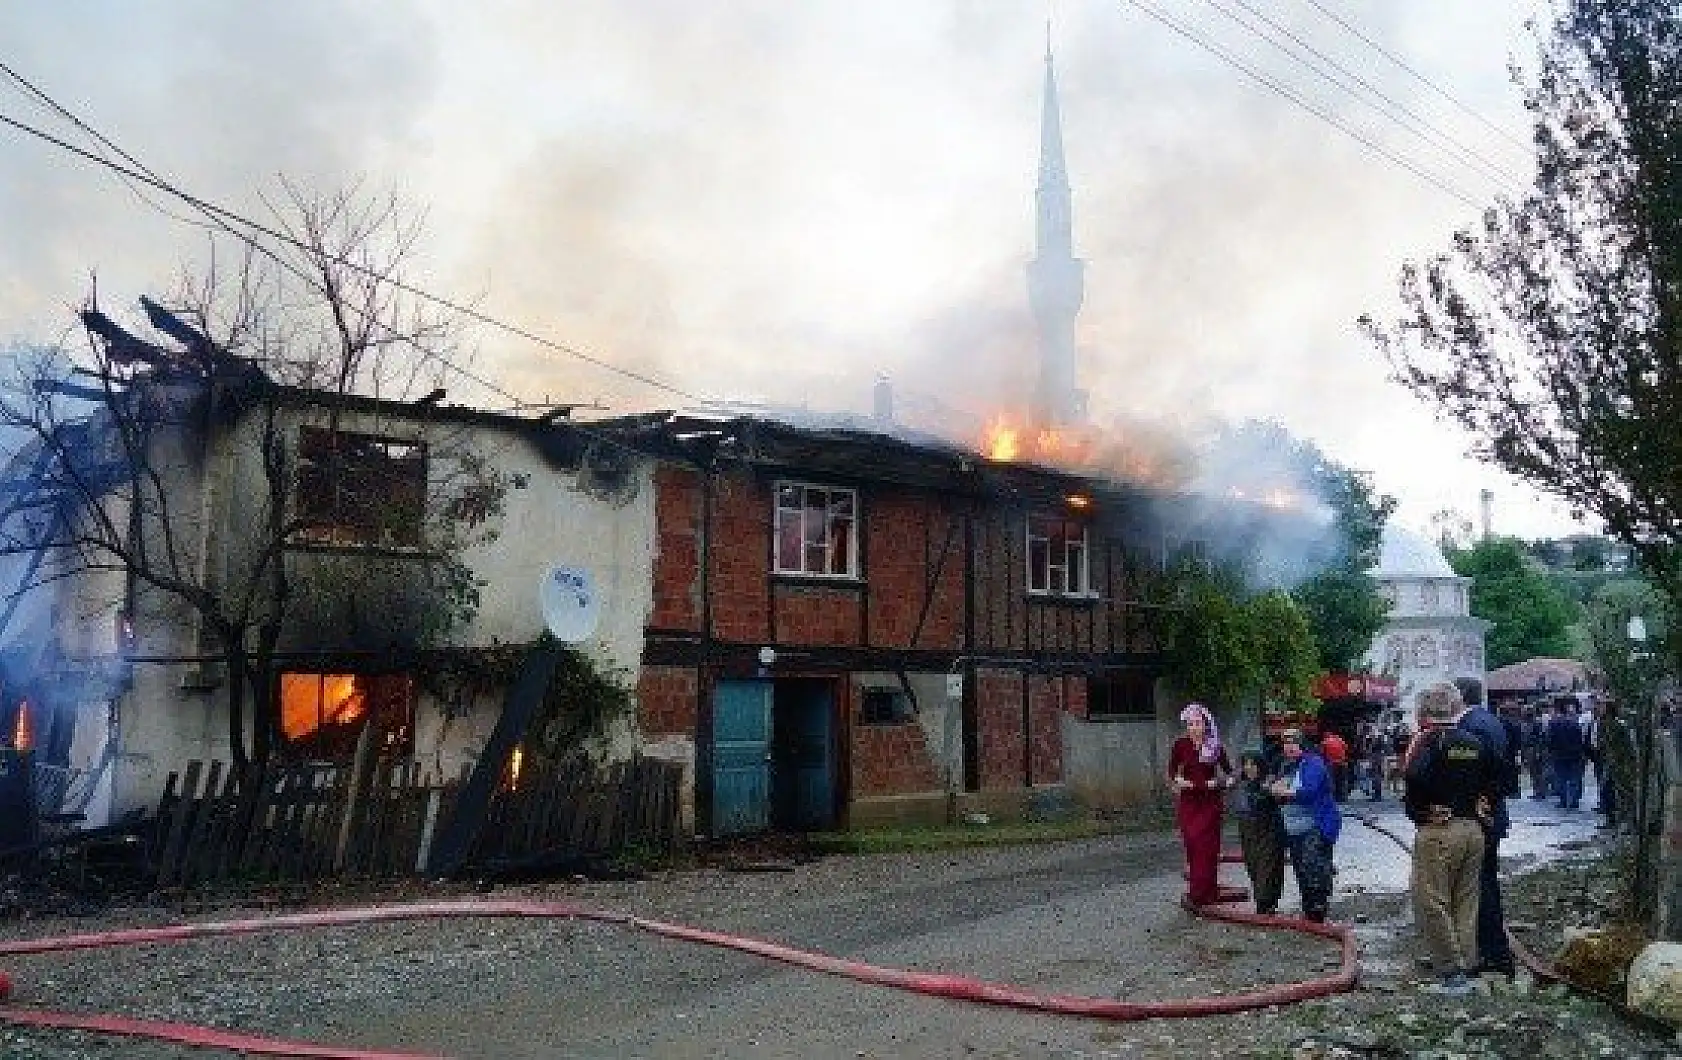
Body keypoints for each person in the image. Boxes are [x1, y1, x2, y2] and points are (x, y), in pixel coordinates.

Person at [1404, 683, 1498, 996]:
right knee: (1466, 901)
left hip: (1440, 830)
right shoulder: (1475, 741)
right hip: (1473, 829)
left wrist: (1421, 810)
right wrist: (1481, 801)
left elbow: (1414, 776)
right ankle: (1467, 963)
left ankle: (1450, 969)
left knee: (1430, 900)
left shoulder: (1427, 741)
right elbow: (1500, 776)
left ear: (1425, 712)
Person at [1453, 676, 1518, 978]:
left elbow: (1477, 773)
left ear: (1460, 696)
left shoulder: (1470, 727)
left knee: (1479, 886)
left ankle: (1491, 953)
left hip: (1482, 814)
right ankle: (1493, 950)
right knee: (1485, 882)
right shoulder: (1490, 721)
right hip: (1492, 812)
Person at [1267, 728, 1341, 922]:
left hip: (1315, 825)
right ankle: (1309, 909)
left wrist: (1283, 792)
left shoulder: (1313, 763)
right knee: (1300, 869)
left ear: (1301, 744)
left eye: (1293, 743)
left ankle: (1318, 909)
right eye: (1286, 743)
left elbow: (1310, 791)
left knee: (1313, 866)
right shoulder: (1283, 765)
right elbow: (1272, 787)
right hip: (1293, 827)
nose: (1289, 747)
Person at [1168, 703, 1233, 908]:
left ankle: (1203, 893)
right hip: (1189, 801)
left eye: (1198, 723)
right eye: (1190, 724)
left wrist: (1218, 783)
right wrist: (1177, 780)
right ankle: (1197, 889)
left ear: (1206, 725)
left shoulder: (1215, 746)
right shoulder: (1180, 745)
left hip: (1209, 801)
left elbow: (1231, 774)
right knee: (1191, 842)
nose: (1194, 728)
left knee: (1207, 848)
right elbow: (1172, 771)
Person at [1229, 748, 1285, 916]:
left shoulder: (1269, 781)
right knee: (1253, 866)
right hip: (1248, 832)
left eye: (1253, 764)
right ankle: (1264, 903)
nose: (1249, 767)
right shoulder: (1240, 784)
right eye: (1246, 764)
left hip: (1269, 831)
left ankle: (1265, 905)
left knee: (1268, 868)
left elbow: (1280, 797)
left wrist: (1272, 790)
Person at [1547, 698, 1587, 809]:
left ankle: (1563, 801)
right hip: (1575, 755)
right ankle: (1574, 801)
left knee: (1561, 778)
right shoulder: (1575, 723)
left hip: (1559, 755)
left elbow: (1550, 740)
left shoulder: (1553, 724)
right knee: (1574, 778)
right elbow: (1580, 740)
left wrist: (1551, 752)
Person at [1321, 728, 1351, 802]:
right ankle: (1343, 796)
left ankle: (1333, 797)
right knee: (1342, 780)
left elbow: (1322, 753)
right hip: (1342, 762)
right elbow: (1346, 748)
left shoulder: (1325, 742)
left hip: (1331, 763)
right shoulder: (1340, 740)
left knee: (1331, 780)